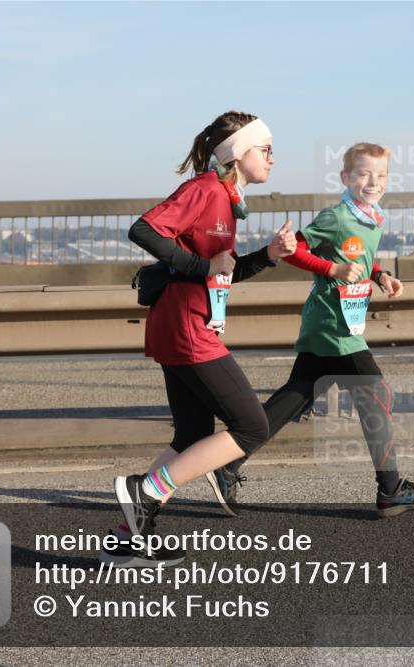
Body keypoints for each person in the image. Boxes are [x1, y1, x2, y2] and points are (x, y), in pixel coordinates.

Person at [206, 142, 414, 519]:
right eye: (363, 174)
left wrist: (379, 275)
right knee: (376, 395)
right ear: (346, 178)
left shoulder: (373, 216)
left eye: (380, 176)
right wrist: (332, 271)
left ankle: (228, 464)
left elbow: (354, 258)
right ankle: (391, 489)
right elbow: (296, 250)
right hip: (335, 327)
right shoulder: (336, 217)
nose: (372, 182)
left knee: (294, 399)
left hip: (330, 324)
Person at [104, 111, 296, 564]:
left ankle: (128, 537)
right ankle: (144, 491)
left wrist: (267, 256)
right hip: (188, 327)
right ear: (239, 153)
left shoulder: (225, 201)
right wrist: (199, 267)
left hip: (185, 325)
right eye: (266, 149)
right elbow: (143, 229)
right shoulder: (205, 190)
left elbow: (222, 273)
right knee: (252, 427)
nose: (273, 157)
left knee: (192, 434)